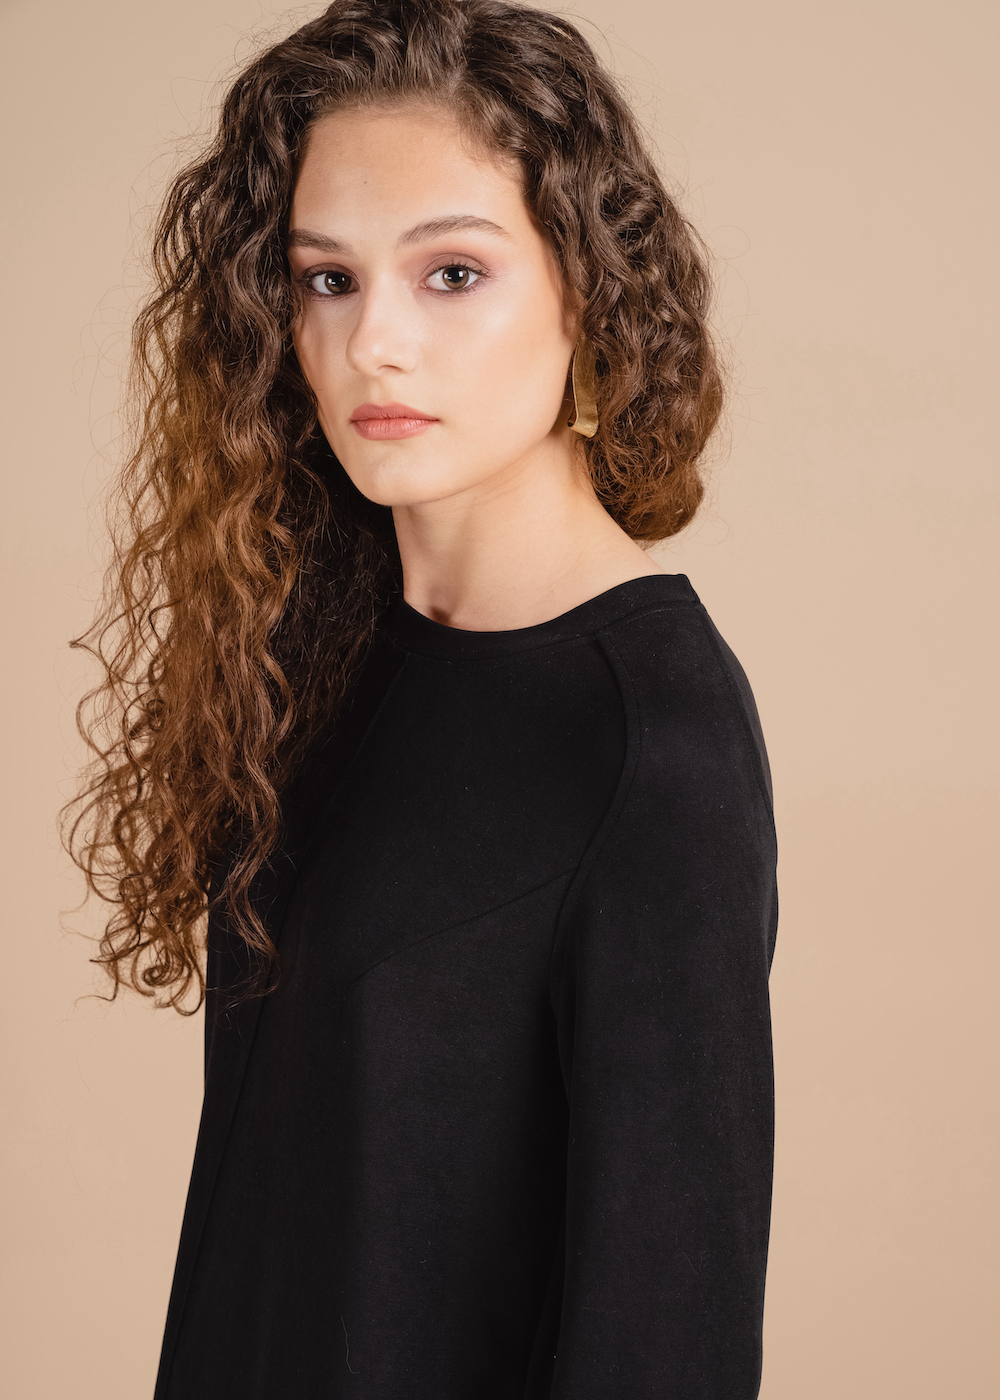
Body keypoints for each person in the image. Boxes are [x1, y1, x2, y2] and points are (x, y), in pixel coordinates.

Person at [64, 1, 778, 1395]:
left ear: (589, 287)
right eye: (327, 279)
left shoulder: (648, 745)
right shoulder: (316, 649)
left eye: (452, 273)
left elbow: (668, 1340)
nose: (374, 341)